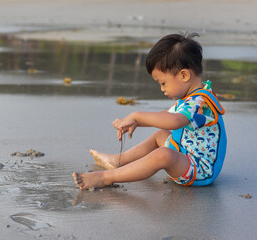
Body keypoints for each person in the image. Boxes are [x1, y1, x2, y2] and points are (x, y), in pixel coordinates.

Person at [73, 33, 227, 190]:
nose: (162, 89)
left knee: (164, 155)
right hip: (185, 154)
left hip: (199, 170)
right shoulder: (193, 95)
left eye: (163, 83)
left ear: (184, 75)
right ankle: (117, 161)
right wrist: (138, 122)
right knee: (160, 135)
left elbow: (174, 121)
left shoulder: (199, 102)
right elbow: (167, 117)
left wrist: (136, 115)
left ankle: (106, 178)